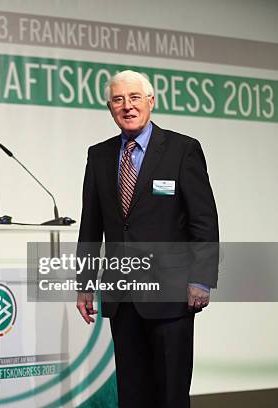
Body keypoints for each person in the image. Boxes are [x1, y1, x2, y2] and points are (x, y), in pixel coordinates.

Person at [75, 70, 219, 408]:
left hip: (171, 295)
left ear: (151, 102)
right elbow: (91, 225)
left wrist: (201, 277)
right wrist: (84, 282)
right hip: (123, 297)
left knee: (170, 393)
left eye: (135, 97)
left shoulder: (182, 150)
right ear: (110, 108)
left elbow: (204, 220)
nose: (127, 106)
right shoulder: (99, 155)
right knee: (133, 394)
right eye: (118, 100)